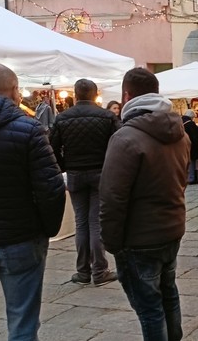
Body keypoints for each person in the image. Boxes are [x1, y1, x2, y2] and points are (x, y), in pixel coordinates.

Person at [0, 63, 66, 340]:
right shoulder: (28, 128)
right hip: (20, 238)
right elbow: (51, 187)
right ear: (15, 92)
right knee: (23, 324)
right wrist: (46, 230)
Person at [99, 67, 190, 341]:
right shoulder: (180, 132)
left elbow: (112, 197)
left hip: (139, 237)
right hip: (171, 227)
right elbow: (182, 180)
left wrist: (112, 243)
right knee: (168, 294)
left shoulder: (126, 137)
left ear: (126, 95)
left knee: (149, 307)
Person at [50, 79, 120, 287]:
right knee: (95, 222)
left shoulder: (62, 118)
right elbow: (120, 143)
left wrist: (66, 166)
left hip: (75, 173)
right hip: (100, 172)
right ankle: (100, 270)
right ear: (95, 94)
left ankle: (83, 271)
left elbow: (52, 147)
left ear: (75, 93)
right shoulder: (107, 117)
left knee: (81, 222)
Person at [182, 109, 198, 184]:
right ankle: (191, 178)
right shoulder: (191, 124)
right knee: (191, 162)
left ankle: (185, 178)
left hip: (181, 146)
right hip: (190, 145)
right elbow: (196, 137)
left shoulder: (179, 122)